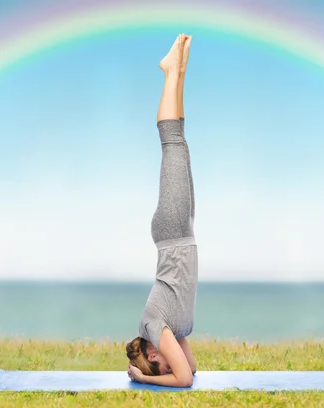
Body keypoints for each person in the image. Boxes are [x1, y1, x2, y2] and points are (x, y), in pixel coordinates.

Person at [125, 33, 198, 388]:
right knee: (180, 143)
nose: (171, 365)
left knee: (172, 144)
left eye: (161, 366)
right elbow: (192, 369)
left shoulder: (154, 327)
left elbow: (183, 379)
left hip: (171, 232)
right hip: (183, 232)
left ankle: (169, 71)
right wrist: (166, 366)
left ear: (154, 355)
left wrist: (144, 378)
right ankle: (179, 71)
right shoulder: (174, 331)